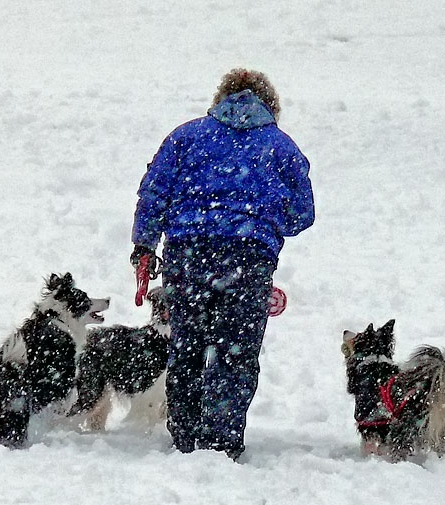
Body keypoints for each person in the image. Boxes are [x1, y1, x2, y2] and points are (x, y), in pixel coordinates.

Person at [131, 69, 315, 459]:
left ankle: (185, 436)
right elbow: (303, 213)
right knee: (236, 352)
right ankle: (222, 440)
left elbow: (154, 191)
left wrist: (145, 246)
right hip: (249, 258)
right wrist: (261, 217)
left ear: (221, 98)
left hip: (188, 253)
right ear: (270, 106)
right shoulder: (280, 147)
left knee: (187, 347)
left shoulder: (186, 136)